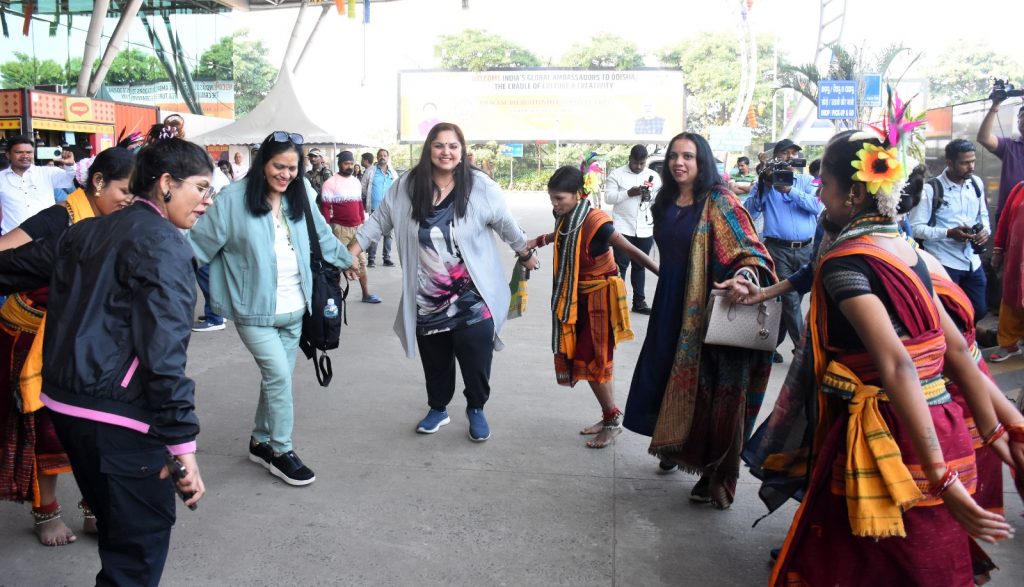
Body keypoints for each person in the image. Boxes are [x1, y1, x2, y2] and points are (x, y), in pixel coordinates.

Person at [770, 128, 1012, 586]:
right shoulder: (909, 252)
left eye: (825, 186)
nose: (820, 197)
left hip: (893, 440)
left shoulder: (846, 262)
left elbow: (898, 364)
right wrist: (997, 427)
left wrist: (940, 477)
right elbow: (959, 349)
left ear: (854, 193)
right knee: (930, 566)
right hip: (944, 427)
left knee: (867, 567)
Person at [0, 136, 209, 585]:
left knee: (120, 530)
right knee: (138, 550)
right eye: (201, 188)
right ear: (167, 183)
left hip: (65, 405)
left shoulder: (85, 230)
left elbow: (10, 265)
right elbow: (164, 353)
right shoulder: (164, 245)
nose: (207, 201)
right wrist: (182, 446)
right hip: (119, 419)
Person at [348, 122, 538, 441]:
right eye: (439, 145)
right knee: (435, 360)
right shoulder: (408, 184)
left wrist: (523, 250)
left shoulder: (479, 186)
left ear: (462, 151)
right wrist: (352, 252)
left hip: (473, 296)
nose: (445, 152)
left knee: (476, 356)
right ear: (429, 149)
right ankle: (438, 408)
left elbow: (505, 223)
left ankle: (475, 407)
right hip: (427, 296)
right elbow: (380, 220)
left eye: (452, 146)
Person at [189, 131, 354, 486]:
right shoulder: (232, 200)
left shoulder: (301, 194)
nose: (286, 174)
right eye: (279, 166)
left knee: (275, 380)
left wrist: (346, 260)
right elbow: (196, 248)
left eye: (292, 167)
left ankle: (260, 441)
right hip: (254, 313)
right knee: (278, 378)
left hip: (297, 309)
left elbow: (321, 235)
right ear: (262, 163)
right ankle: (281, 451)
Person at [622, 132, 775, 509]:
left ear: (701, 161)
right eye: (674, 156)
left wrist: (745, 276)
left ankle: (714, 472)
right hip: (670, 304)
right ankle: (675, 444)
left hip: (708, 310)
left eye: (688, 156)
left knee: (712, 390)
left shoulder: (720, 201)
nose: (679, 163)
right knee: (665, 378)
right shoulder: (665, 200)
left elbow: (749, 249)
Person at [0, 147, 133, 547]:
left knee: (96, 424)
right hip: (32, 335)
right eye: (125, 190)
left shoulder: (119, 222)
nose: (130, 200)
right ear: (97, 183)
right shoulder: (58, 218)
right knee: (49, 428)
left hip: (86, 337)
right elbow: (4, 253)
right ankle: (47, 512)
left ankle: (94, 509)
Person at [527, 166, 658, 448]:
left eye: (559, 198)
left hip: (600, 299)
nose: (555, 204)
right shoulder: (567, 216)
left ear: (578, 194)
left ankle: (612, 421)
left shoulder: (598, 223)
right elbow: (560, 234)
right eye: (552, 198)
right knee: (593, 360)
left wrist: (663, 273)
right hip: (579, 297)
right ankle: (609, 414)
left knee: (591, 360)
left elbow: (631, 251)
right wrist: (538, 241)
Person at [745, 138, 822, 363]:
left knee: (790, 300)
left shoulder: (807, 181)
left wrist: (789, 190)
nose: (790, 157)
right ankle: (803, 352)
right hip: (777, 250)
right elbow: (751, 211)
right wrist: (765, 187)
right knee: (790, 300)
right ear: (775, 157)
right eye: (785, 153)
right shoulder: (765, 182)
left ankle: (770, 345)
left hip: (807, 249)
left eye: (793, 153)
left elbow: (817, 206)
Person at [909, 139, 990, 322]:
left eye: (973, 161)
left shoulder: (976, 183)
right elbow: (915, 228)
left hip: (972, 260)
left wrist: (985, 231)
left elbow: (982, 215)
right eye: (965, 163)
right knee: (948, 314)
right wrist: (948, 233)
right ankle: (954, 347)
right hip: (944, 262)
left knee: (979, 309)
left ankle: (967, 340)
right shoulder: (931, 190)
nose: (971, 167)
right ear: (950, 163)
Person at [603, 145, 661, 314]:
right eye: (635, 163)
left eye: (641, 163)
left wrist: (649, 197)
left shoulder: (654, 176)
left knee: (640, 266)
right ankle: (616, 303)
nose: (638, 166)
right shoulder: (616, 174)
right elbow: (608, 198)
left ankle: (639, 303)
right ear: (629, 158)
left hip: (645, 228)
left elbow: (659, 199)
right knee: (620, 266)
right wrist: (629, 193)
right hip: (622, 228)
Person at [322, 151, 382, 304]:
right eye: (345, 163)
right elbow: (325, 208)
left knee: (361, 262)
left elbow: (359, 203)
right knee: (337, 263)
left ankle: (366, 294)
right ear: (340, 164)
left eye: (350, 163)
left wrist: (363, 221)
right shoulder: (330, 183)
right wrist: (326, 230)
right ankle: (333, 297)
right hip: (339, 229)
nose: (349, 166)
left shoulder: (356, 182)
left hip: (357, 228)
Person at [0, 136, 76, 234]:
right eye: (19, 152)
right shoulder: (1, 178)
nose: (25, 155)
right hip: (13, 240)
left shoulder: (47, 172)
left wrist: (70, 165)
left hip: (46, 239)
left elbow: (69, 179)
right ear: (8, 155)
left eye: (29, 152)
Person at [990, 180, 1024, 362]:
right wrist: (997, 250)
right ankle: (1009, 343)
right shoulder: (1019, 188)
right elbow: (1004, 221)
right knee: (1011, 301)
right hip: (1016, 259)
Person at [976, 91, 1024, 214]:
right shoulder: (1010, 146)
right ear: (1018, 121)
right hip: (1008, 214)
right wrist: (995, 107)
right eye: (1022, 116)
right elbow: (983, 138)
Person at [361, 148, 399, 268]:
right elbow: (363, 186)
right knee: (374, 233)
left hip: (389, 208)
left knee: (388, 235)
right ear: (377, 157)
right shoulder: (371, 171)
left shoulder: (393, 173)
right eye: (380, 155)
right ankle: (371, 259)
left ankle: (386, 258)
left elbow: (398, 189)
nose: (383, 157)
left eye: (385, 155)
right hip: (374, 208)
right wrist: (369, 197)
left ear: (388, 157)